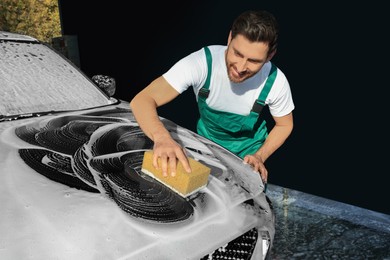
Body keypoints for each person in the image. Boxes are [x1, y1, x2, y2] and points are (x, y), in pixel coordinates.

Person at [130, 10, 294, 185]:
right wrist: (162, 138)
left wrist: (260, 156)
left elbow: (285, 124)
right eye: (237, 53)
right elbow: (142, 100)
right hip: (205, 147)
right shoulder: (202, 63)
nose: (240, 67)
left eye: (253, 61)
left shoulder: (276, 82)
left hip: (247, 159)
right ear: (230, 38)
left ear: (270, 56)